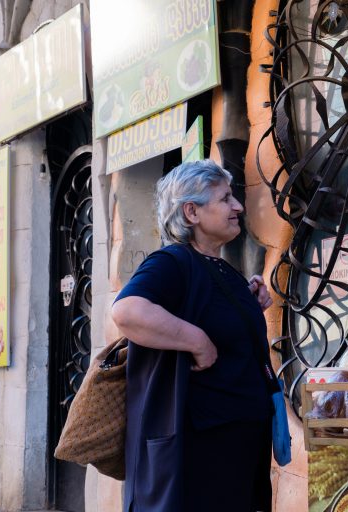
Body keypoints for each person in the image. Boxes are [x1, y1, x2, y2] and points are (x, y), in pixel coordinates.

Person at [111, 159, 276, 511]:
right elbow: (127, 311)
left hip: (236, 449)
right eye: (225, 199)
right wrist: (196, 341)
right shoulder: (171, 262)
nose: (238, 207)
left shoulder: (219, 269)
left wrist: (245, 304)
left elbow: (216, 322)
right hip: (200, 453)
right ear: (192, 212)